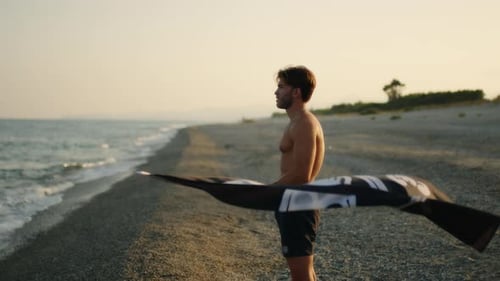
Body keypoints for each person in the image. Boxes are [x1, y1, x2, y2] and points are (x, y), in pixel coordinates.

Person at [272, 65, 325, 281]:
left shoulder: (304, 122)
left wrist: (265, 191)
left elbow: (302, 174)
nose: (276, 92)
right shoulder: (296, 122)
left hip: (298, 203)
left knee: (301, 274)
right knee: (304, 272)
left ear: (296, 92)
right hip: (292, 202)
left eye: (281, 87)